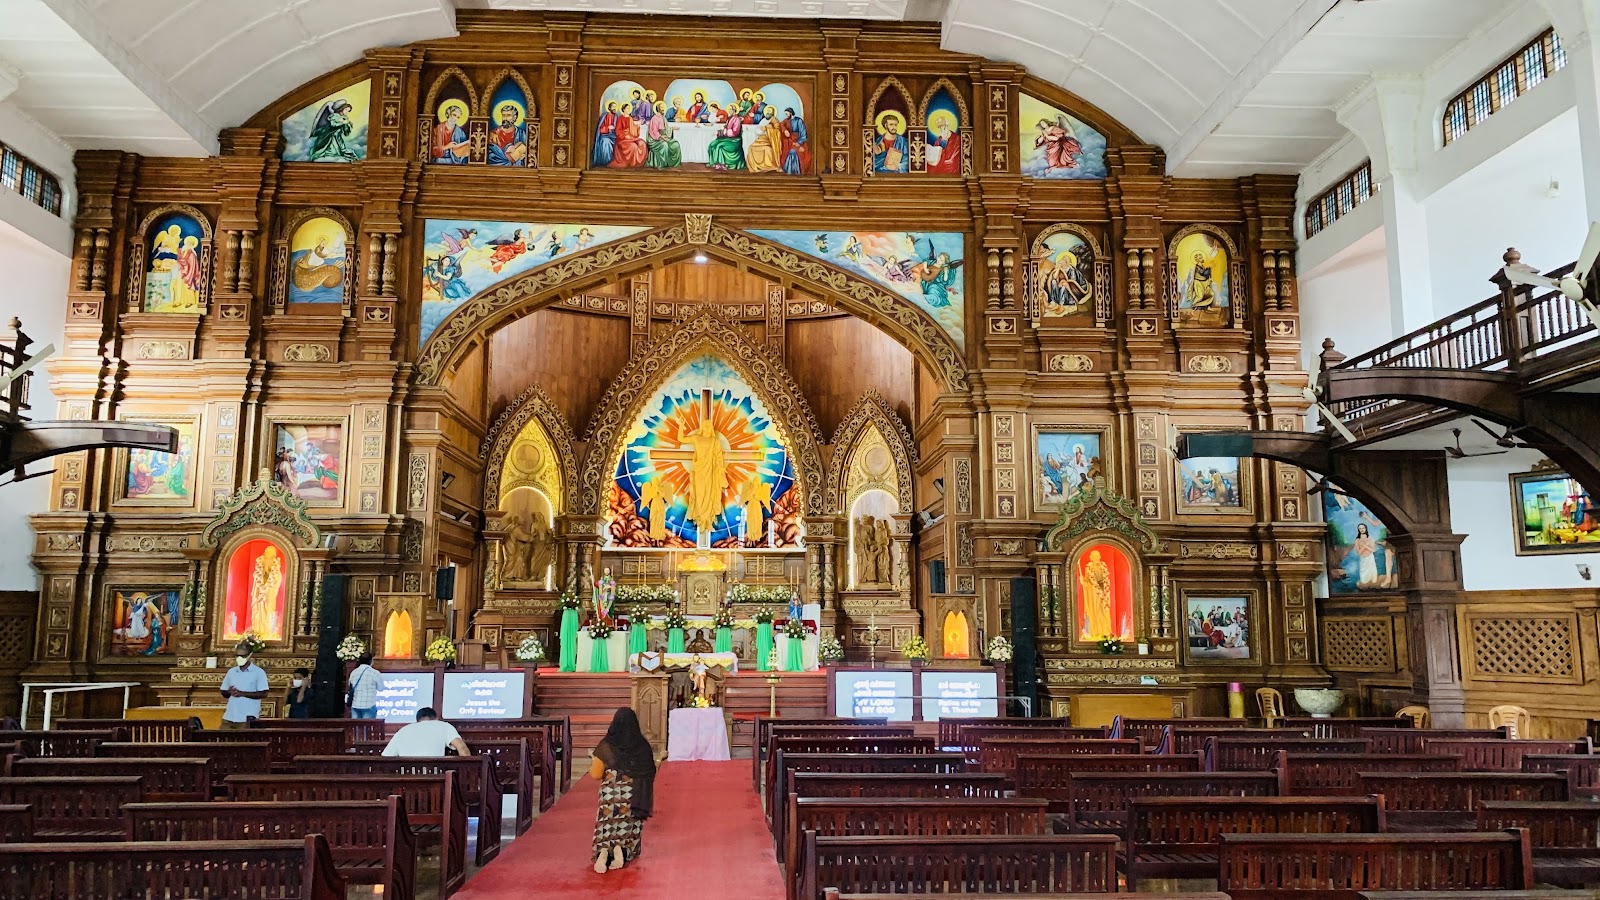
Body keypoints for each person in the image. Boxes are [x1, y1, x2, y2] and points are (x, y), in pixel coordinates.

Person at [589, 707, 656, 873]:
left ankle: (603, 852)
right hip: (633, 796)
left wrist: (595, 759)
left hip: (609, 796)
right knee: (627, 821)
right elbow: (650, 772)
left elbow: (595, 774)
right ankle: (622, 849)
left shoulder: (606, 746)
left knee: (606, 819)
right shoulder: (643, 746)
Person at [219, 643, 270, 729]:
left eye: (243, 656)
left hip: (247, 718)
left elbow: (264, 693)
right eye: (237, 655)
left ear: (250, 655)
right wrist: (229, 692)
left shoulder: (258, 672)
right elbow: (223, 692)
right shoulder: (231, 672)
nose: (239, 658)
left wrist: (242, 693)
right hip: (229, 716)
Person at [383, 707, 470, 757]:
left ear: (417, 721)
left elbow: (386, 757)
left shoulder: (404, 730)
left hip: (406, 781)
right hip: (435, 780)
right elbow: (462, 748)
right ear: (436, 718)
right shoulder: (443, 725)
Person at [346, 651, 380, 719]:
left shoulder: (354, 672)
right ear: (371, 661)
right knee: (367, 727)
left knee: (356, 727)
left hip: (355, 704)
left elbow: (350, 685)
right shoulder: (375, 673)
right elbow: (381, 687)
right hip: (369, 704)